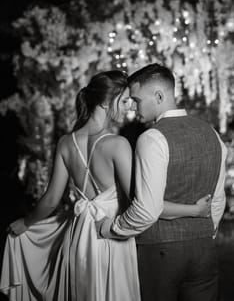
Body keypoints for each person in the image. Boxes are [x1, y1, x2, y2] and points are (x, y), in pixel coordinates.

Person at [0, 70, 211, 301]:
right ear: (104, 102)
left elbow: (51, 199)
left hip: (78, 239)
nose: (129, 107)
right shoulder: (118, 145)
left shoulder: (65, 143)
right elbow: (144, 204)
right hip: (111, 238)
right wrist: (193, 210)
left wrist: (26, 222)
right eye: (123, 101)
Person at [98, 64, 227, 301]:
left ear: (159, 96)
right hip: (204, 250)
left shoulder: (152, 138)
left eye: (137, 100)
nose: (133, 108)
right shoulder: (212, 134)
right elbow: (217, 200)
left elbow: (148, 208)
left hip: (160, 252)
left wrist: (113, 228)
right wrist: (205, 235)